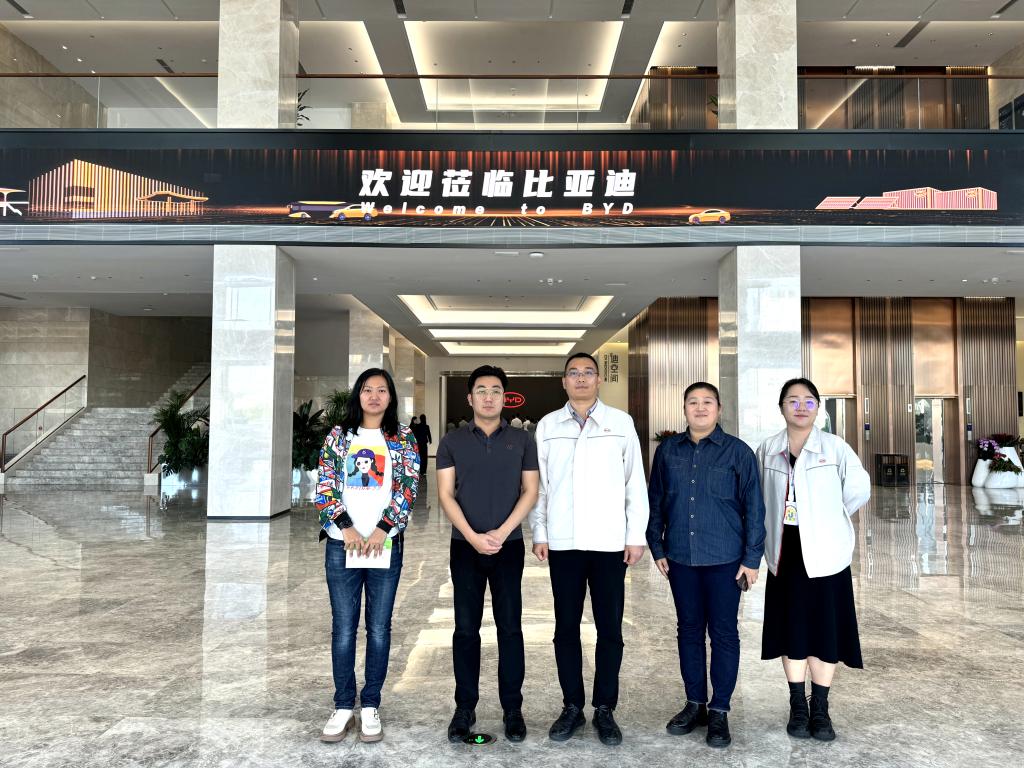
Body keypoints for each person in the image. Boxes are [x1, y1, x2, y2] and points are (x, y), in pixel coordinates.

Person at [530, 352, 649, 747]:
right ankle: (572, 706)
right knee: (565, 628)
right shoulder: (548, 426)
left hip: (609, 543)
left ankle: (604, 709)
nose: (580, 378)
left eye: (588, 372)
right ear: (563, 381)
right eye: (573, 373)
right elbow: (540, 487)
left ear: (599, 380)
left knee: (609, 628)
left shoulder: (621, 423)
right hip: (563, 542)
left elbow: (635, 483)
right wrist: (540, 531)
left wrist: (635, 535)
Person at [646, 381, 765, 749]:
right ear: (684, 409)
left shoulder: (738, 452)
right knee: (689, 630)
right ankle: (695, 703)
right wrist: (657, 546)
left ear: (719, 409)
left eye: (707, 402)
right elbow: (656, 501)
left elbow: (754, 509)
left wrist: (752, 558)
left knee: (724, 633)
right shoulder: (668, 451)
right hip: (680, 557)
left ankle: (719, 710)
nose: (700, 408)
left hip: (726, 560)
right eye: (693, 402)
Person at [756, 378, 870, 742]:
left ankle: (820, 707)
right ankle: (797, 706)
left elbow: (858, 488)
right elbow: (759, 497)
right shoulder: (768, 449)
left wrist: (828, 517)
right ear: (781, 407)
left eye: (808, 401)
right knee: (792, 629)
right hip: (785, 553)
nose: (801, 407)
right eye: (793, 400)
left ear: (818, 407)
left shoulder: (835, 447)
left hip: (825, 555)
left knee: (824, 630)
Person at [315, 368, 419, 744]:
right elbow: (325, 484)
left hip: (384, 544)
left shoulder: (402, 437)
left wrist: (382, 528)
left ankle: (371, 703)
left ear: (391, 397)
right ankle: (344, 705)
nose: (374, 396)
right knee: (343, 628)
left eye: (381, 390)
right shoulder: (339, 436)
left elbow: (408, 486)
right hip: (342, 544)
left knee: (378, 628)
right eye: (367, 389)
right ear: (357, 395)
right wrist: (346, 528)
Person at [437, 365, 539, 744]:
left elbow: (530, 491)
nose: (489, 397)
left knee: (510, 627)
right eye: (481, 390)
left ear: (504, 397)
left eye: (496, 390)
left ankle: (513, 708)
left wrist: (501, 532)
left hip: (508, 547)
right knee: (466, 629)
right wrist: (473, 536)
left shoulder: (522, 440)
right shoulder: (452, 441)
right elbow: (445, 494)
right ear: (470, 398)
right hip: (465, 548)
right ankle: (464, 708)